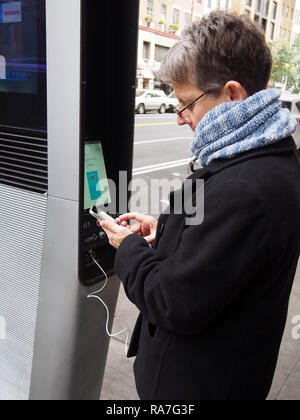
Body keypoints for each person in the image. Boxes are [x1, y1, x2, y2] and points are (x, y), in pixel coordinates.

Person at [100, 11, 300, 400]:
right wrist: (166, 231)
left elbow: (173, 301)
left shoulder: (247, 187)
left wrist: (128, 248)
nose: (180, 118)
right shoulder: (263, 156)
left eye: (185, 103)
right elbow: (224, 252)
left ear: (232, 93)